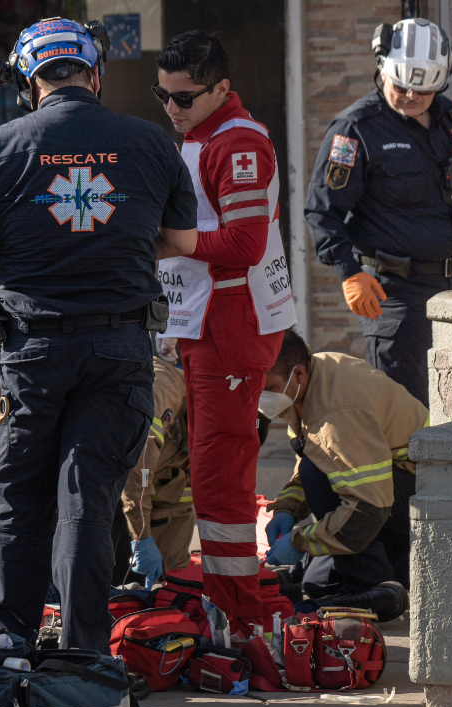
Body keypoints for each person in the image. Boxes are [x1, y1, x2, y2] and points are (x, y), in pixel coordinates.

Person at [0, 17, 198, 651]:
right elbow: (183, 242)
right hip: (119, 351)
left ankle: (10, 645)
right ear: (94, 74)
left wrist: (14, 258)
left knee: (20, 502)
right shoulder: (152, 142)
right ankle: (84, 653)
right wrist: (118, 249)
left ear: (30, 82)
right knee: (88, 502)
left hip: (31, 352)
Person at [152, 30, 297, 632]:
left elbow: (242, 242)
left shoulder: (237, 142)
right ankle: (230, 601)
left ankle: (240, 614)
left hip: (231, 324)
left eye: (184, 98)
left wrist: (169, 240)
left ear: (222, 90)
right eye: (163, 97)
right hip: (209, 320)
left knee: (219, 472)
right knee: (210, 468)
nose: (171, 109)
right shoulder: (202, 136)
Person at [305, 18, 452, 406]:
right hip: (396, 300)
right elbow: (321, 213)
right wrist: (348, 273)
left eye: (424, 89)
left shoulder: (449, 120)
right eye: (400, 86)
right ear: (382, 68)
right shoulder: (356, 130)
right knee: (405, 421)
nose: (410, 96)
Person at [259, 331, 422, 623]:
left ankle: (373, 588)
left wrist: (298, 542)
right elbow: (314, 457)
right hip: (395, 496)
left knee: (316, 475)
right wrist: (287, 509)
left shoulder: (334, 413)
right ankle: (389, 574)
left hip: (418, 497)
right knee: (317, 585)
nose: (260, 396)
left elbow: (368, 508)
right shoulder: (311, 380)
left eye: (267, 386)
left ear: (297, 374)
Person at [119, 347, 193, 586]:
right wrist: (141, 538)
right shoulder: (162, 389)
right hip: (104, 486)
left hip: (133, 497)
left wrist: (176, 573)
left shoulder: (189, 418)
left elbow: (179, 499)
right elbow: (137, 467)